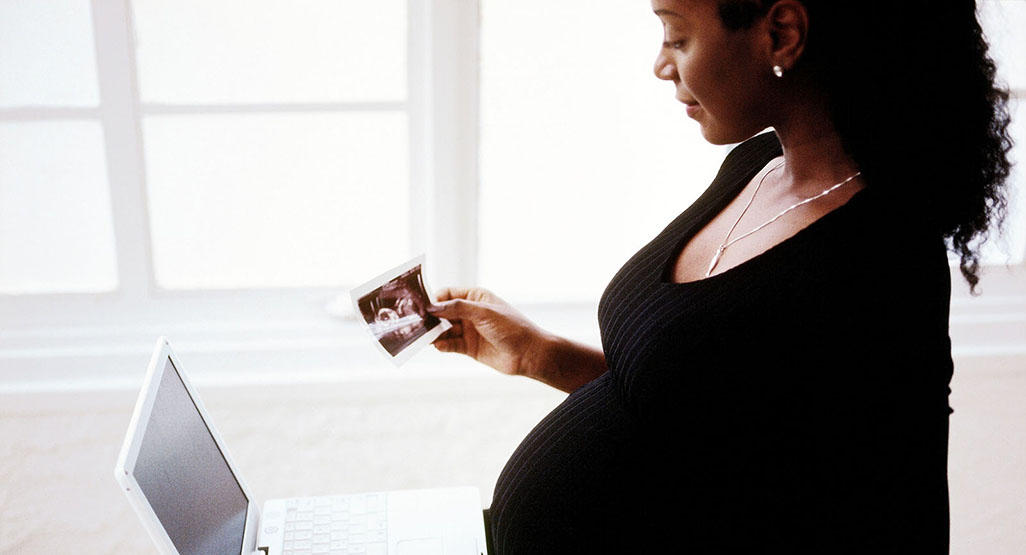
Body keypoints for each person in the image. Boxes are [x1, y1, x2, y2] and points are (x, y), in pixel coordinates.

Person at [429, 0, 1014, 552]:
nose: (661, 65)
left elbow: (893, 517)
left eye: (677, 36)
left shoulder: (876, 265)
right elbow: (696, 412)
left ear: (782, 34)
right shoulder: (755, 167)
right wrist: (539, 355)